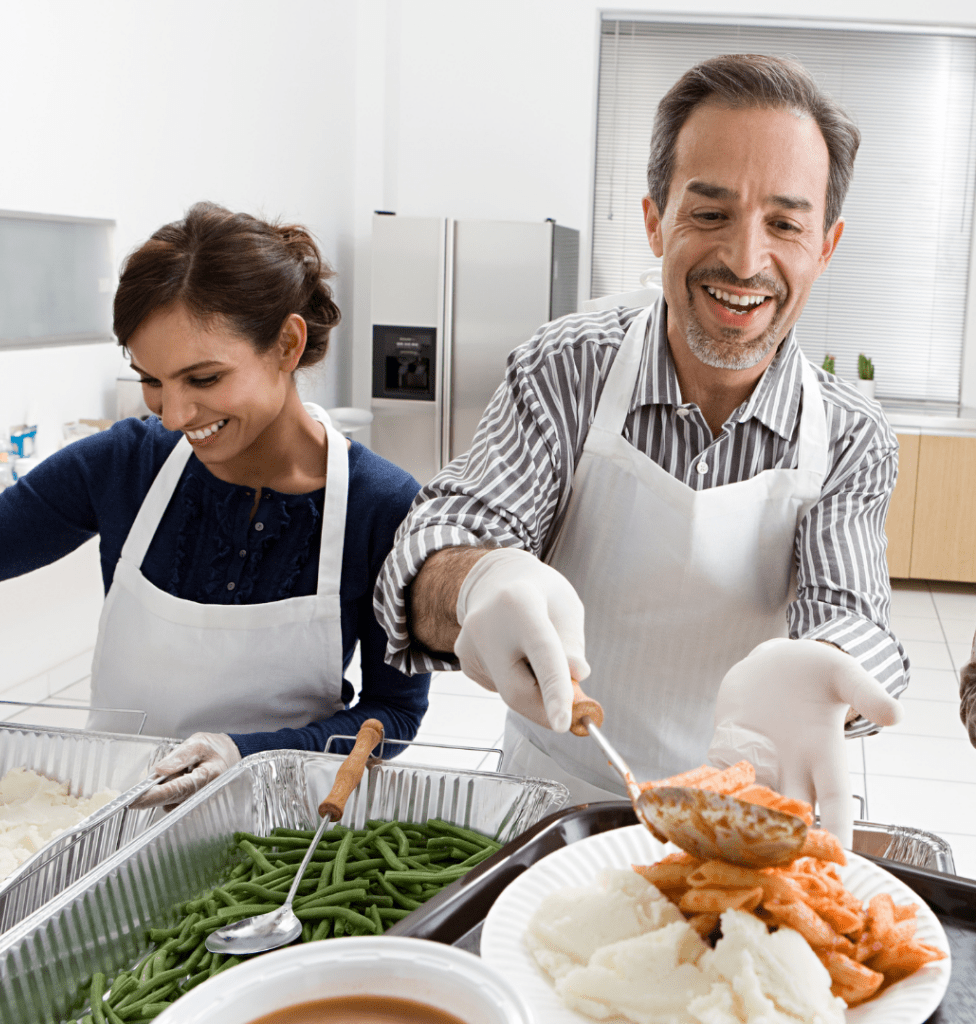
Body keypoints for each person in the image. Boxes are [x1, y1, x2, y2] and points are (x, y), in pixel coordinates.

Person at [374, 54, 907, 848]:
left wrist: (826, 664)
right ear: (656, 219)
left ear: (825, 248)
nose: (746, 259)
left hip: (740, 821)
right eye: (712, 212)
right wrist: (476, 579)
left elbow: (854, 615)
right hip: (548, 808)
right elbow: (436, 544)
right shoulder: (566, 367)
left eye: (786, 224)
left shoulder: (852, 435)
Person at [0, 202, 429, 806]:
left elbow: (393, 713)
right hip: (115, 817)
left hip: (280, 830)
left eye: (202, 380)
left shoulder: (380, 506)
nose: (173, 416)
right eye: (151, 380)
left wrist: (242, 753)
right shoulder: (123, 466)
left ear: (286, 343)